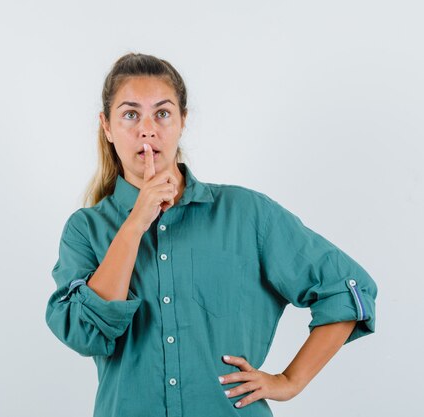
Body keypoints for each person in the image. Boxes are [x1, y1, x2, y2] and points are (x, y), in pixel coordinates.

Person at [45, 52, 378, 417]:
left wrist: (289, 381)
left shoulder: (247, 214)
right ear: (106, 127)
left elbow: (347, 288)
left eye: (162, 113)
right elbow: (83, 334)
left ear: (182, 122)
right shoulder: (85, 229)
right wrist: (135, 222)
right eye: (130, 114)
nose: (147, 129)